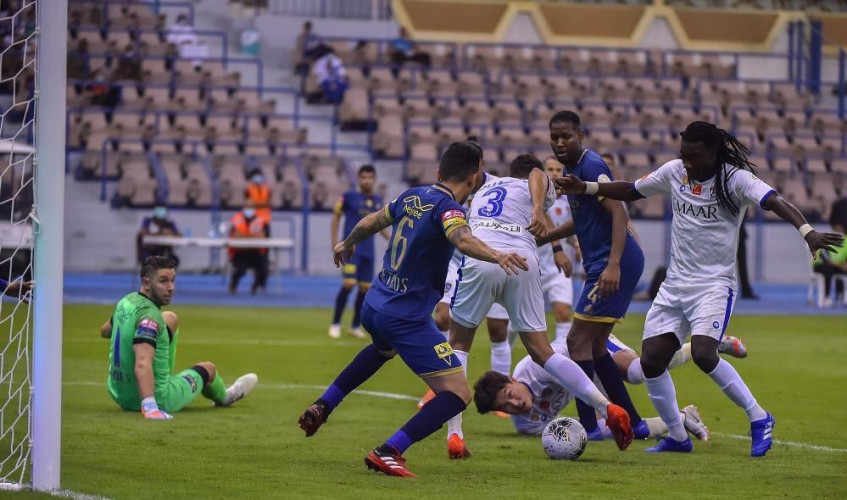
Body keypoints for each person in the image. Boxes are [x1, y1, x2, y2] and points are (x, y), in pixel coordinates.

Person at [555, 120, 844, 456]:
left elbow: (774, 199)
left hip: (714, 285)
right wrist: (587, 188)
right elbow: (632, 189)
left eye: (694, 158)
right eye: (684, 156)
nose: (688, 164)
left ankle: (759, 417)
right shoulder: (675, 171)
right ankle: (678, 437)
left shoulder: (734, 179)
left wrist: (807, 231)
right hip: (675, 284)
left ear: (713, 152)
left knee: (705, 353)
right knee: (650, 362)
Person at [297, 142, 529, 478]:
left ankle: (324, 403)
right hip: (404, 317)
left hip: (375, 304)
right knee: (458, 393)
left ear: (438, 172)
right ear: (474, 177)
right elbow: (462, 239)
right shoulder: (450, 209)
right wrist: (499, 255)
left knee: (382, 348)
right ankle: (389, 450)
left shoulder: (412, 196)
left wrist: (346, 243)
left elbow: (373, 221)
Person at [445, 153, 633, 458]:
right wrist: (536, 206)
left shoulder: (485, 186)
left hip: (484, 255)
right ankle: (606, 406)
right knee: (543, 352)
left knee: (458, 346)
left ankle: (455, 434)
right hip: (523, 258)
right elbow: (535, 173)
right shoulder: (535, 181)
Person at [541, 111, 647, 448]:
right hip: (606, 261)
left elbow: (619, 211)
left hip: (614, 262)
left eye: (566, 137)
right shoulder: (573, 171)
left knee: (576, 342)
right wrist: (548, 237)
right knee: (596, 345)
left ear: (580, 135)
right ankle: (635, 422)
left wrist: (613, 265)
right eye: (554, 137)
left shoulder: (591, 166)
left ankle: (588, 426)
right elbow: (583, 218)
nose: (560, 143)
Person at [473, 335, 720, 440]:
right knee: (610, 431)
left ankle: (708, 346)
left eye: (509, 395)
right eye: (505, 407)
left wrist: (604, 405)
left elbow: (580, 365)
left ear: (512, 380)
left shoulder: (535, 367)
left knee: (638, 373)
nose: (515, 404)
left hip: (590, 347)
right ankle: (682, 418)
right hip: (587, 382)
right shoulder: (526, 424)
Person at [102, 256, 257, 418]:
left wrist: (129, 334)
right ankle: (226, 397)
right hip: (156, 398)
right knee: (209, 369)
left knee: (170, 318)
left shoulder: (126, 302)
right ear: (147, 283)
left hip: (118, 392)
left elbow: (105, 331)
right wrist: (150, 406)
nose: (171, 288)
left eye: (172, 280)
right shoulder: (150, 317)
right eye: (163, 281)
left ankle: (161, 377)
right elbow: (142, 363)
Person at [329, 165, 388, 339]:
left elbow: (380, 225)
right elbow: (336, 216)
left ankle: (355, 325)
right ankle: (335, 323)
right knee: (348, 285)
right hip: (351, 250)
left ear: (374, 179)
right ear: (358, 179)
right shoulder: (348, 197)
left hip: (368, 252)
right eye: (363, 177)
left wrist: (392, 239)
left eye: (370, 177)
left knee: (364, 290)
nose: (367, 180)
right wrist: (334, 240)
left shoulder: (378, 201)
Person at [539, 156, 577, 344]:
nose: (554, 173)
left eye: (558, 170)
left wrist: (576, 244)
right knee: (517, 323)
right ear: (543, 172)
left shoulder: (570, 201)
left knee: (563, 313)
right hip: (534, 266)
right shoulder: (535, 197)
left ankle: (562, 359)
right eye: (550, 169)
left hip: (559, 267)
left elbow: (566, 231)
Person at [228, 201, 270, 294]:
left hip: (255, 252)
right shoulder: (237, 219)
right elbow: (235, 236)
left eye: (251, 207)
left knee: (263, 269)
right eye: (247, 207)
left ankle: (255, 286)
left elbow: (263, 237)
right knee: (240, 270)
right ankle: (233, 284)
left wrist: (244, 236)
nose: (249, 210)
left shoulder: (261, 221)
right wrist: (253, 236)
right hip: (240, 252)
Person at [812, 221, 847, 306]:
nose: (838, 230)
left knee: (838, 270)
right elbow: (826, 259)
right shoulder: (827, 239)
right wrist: (841, 265)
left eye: (840, 228)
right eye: (836, 228)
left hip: (838, 266)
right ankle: (826, 296)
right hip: (820, 265)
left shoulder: (846, 241)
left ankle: (841, 295)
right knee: (828, 269)